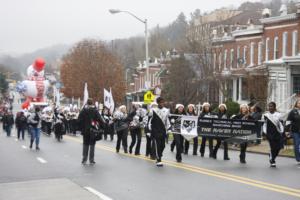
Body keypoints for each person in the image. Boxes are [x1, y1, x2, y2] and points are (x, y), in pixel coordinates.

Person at [78, 98, 105, 165]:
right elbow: (100, 119)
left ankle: (84, 160)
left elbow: (79, 120)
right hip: (93, 130)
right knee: (92, 145)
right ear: (92, 103)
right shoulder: (95, 110)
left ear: (87, 103)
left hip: (85, 130)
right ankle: (91, 160)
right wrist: (102, 127)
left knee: (85, 144)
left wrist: (81, 128)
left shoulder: (83, 110)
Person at [149, 97, 170, 167]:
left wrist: (168, 129)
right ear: (158, 103)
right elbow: (150, 121)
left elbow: (167, 121)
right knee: (158, 145)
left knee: (163, 145)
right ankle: (159, 159)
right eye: (161, 102)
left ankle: (159, 154)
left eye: (163, 102)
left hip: (163, 130)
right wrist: (149, 129)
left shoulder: (166, 110)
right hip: (156, 130)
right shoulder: (153, 110)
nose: (162, 103)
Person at [262, 102, 284, 167]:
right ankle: (272, 160)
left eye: (271, 106)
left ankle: (272, 156)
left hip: (277, 133)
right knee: (273, 147)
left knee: (279, 147)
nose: (270, 108)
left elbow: (281, 124)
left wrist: (283, 132)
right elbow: (263, 125)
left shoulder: (279, 115)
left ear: (274, 107)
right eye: (269, 106)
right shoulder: (265, 115)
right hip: (269, 133)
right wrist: (264, 133)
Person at [286, 99, 300, 165]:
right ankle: (298, 159)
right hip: (295, 131)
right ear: (296, 104)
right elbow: (288, 121)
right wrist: (287, 130)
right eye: (299, 103)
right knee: (296, 145)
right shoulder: (293, 112)